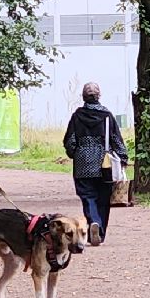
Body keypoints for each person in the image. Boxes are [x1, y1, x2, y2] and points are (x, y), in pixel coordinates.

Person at [62, 82, 126, 246]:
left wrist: (74, 153)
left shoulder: (77, 116)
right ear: (98, 96)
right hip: (104, 164)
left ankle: (93, 222)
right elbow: (116, 140)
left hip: (83, 164)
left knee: (88, 197)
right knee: (103, 199)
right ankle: (100, 232)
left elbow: (70, 141)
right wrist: (123, 158)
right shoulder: (107, 116)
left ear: (83, 97)